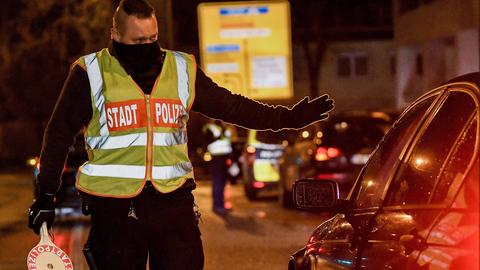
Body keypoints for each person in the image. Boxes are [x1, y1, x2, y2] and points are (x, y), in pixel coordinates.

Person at [27, 0, 334, 269]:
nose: (147, 47)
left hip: (173, 205)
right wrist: (45, 195)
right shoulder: (90, 74)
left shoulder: (181, 69)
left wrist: (286, 118)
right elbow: (58, 135)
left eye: (153, 39)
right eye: (138, 41)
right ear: (115, 36)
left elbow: (231, 106)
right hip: (115, 211)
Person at [202, 120, 233, 215]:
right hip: (217, 158)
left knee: (222, 182)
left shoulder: (224, 127)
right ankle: (217, 206)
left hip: (224, 158)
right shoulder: (211, 127)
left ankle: (220, 205)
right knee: (218, 182)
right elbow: (207, 140)